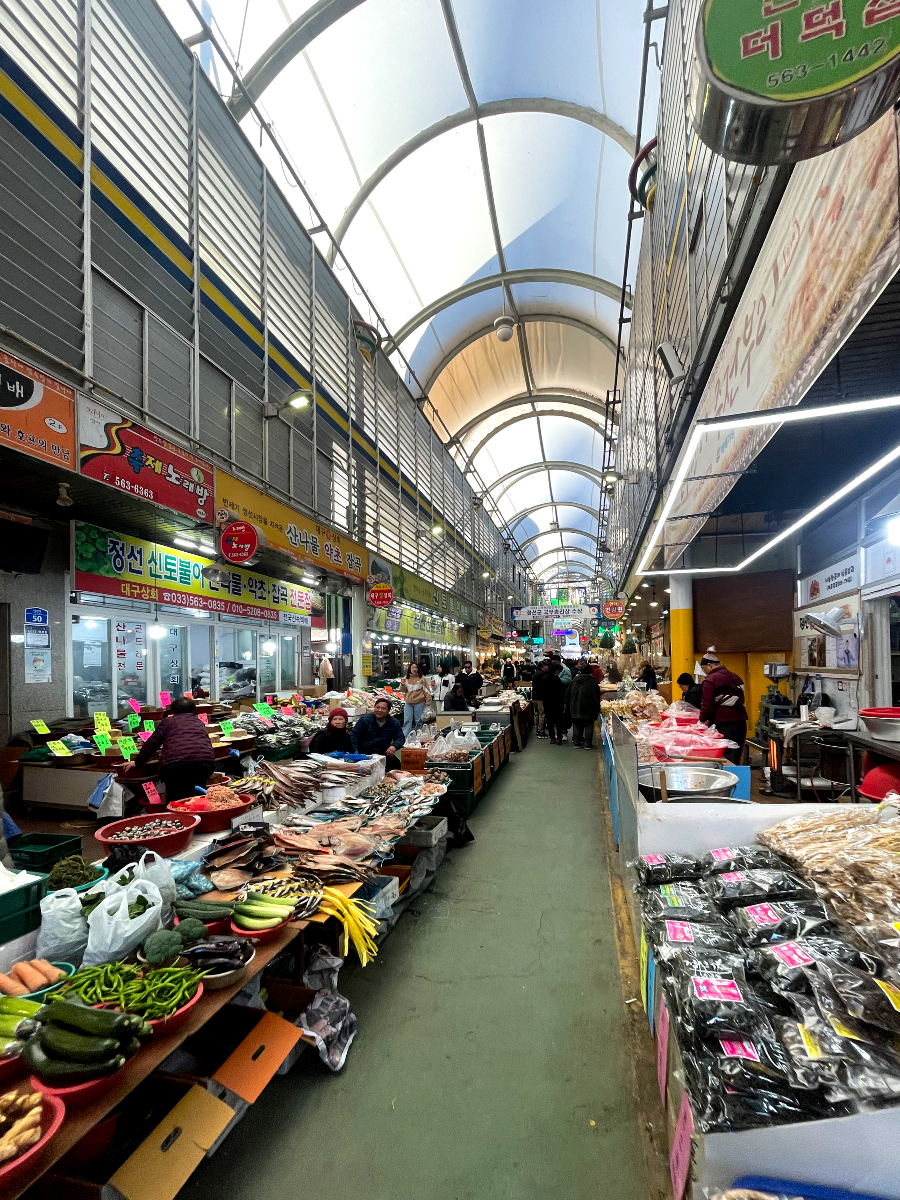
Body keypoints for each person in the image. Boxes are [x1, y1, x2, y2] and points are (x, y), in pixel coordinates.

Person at [122, 696, 215, 801]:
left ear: (173, 710)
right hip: (205, 764)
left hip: (176, 767)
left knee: (175, 801)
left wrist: (137, 762)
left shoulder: (167, 722)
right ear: (194, 710)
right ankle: (198, 810)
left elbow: (152, 744)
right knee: (197, 798)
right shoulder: (198, 722)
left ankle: (176, 811)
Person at [698, 652, 748, 763]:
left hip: (723, 723)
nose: (704, 671)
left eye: (703, 668)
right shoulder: (736, 677)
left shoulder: (710, 680)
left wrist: (701, 720)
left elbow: (706, 704)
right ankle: (737, 773)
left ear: (709, 665)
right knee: (736, 754)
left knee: (725, 756)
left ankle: (726, 774)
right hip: (741, 722)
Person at [351, 697, 406, 770]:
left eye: (383, 708)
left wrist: (394, 746)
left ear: (388, 711)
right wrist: (356, 752)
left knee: (397, 765)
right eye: (377, 707)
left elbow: (400, 737)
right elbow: (354, 736)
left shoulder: (394, 722)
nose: (379, 710)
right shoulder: (365, 719)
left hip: (383, 753)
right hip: (365, 753)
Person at [570, 664, 601, 748]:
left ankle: (577, 743)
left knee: (577, 724)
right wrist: (597, 707)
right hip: (589, 706)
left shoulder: (574, 680)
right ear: (590, 672)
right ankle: (588, 744)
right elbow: (596, 696)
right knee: (589, 724)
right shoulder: (592, 681)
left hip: (575, 706)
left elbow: (569, 694)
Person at [399, 662, 431, 736]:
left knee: (419, 721)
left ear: (418, 669)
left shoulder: (422, 678)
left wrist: (428, 701)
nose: (414, 669)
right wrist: (402, 685)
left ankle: (419, 735)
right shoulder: (406, 679)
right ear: (410, 669)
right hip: (408, 703)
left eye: (416, 667)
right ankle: (405, 736)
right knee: (407, 720)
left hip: (419, 702)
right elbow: (402, 690)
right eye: (413, 667)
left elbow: (427, 691)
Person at [542, 662, 567, 745]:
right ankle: (557, 737)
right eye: (557, 670)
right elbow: (561, 692)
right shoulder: (557, 680)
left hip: (548, 703)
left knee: (550, 721)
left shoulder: (545, 679)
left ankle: (553, 737)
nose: (558, 672)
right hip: (557, 703)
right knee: (558, 721)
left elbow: (542, 692)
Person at [531, 659, 550, 736]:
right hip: (541, 697)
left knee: (537, 713)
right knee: (542, 714)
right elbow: (543, 687)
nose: (547, 667)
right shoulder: (543, 674)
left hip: (535, 696)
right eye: (546, 666)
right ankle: (541, 731)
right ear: (543, 666)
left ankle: (537, 729)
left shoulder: (535, 673)